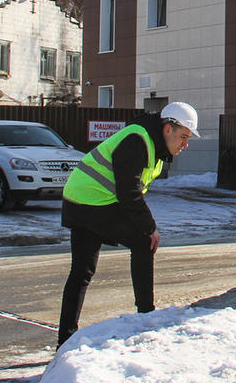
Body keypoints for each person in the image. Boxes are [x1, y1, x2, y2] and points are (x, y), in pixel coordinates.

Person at [57, 101, 198, 347]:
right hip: (93, 202)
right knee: (144, 242)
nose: (185, 144)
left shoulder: (150, 143)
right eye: (183, 137)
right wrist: (149, 227)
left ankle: (64, 340)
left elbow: (129, 193)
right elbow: (129, 193)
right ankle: (147, 317)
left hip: (80, 199)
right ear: (167, 129)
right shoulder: (138, 140)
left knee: (81, 273)